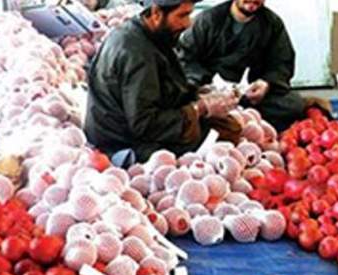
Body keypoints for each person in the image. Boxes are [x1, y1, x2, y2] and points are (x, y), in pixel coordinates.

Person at [84, 0, 241, 165]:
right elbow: (144, 125)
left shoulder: (143, 33)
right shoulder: (137, 53)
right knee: (225, 133)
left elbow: (160, 87)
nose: (188, 24)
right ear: (156, 13)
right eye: (182, 15)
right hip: (123, 141)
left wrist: (199, 95)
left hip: (129, 125)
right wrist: (200, 108)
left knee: (226, 124)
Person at [178, 0, 314, 131]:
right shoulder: (208, 20)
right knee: (184, 107)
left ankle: (237, 117)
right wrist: (207, 85)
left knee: (294, 105)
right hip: (212, 92)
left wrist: (266, 84)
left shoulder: (272, 23)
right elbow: (185, 58)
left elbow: (281, 63)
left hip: (251, 96)